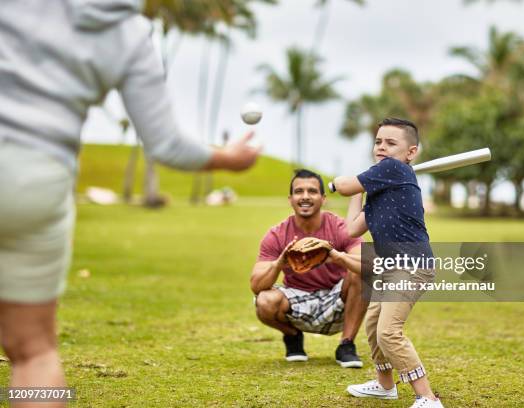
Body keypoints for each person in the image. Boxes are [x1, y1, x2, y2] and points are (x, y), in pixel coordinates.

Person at [0, 1, 260, 405]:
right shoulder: (128, 31)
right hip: (37, 184)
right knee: (34, 352)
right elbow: (167, 144)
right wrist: (229, 158)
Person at [330, 118, 444, 407]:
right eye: (378, 141)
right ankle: (384, 385)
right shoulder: (383, 189)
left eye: (391, 143)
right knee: (372, 325)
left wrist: (339, 183)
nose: (381, 146)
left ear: (411, 152)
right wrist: (359, 190)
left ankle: (427, 397)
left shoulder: (392, 169)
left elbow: (342, 185)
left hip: (412, 265)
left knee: (389, 332)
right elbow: (352, 228)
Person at [250, 169, 368, 367]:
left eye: (312, 191)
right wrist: (280, 263)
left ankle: (346, 345)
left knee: (361, 275)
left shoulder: (340, 227)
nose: (305, 196)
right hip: (298, 302)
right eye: (299, 191)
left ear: (323, 199)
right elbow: (256, 284)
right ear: (290, 199)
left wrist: (335, 256)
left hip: (336, 300)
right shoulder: (277, 234)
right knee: (263, 300)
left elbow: (368, 265)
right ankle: (293, 335)